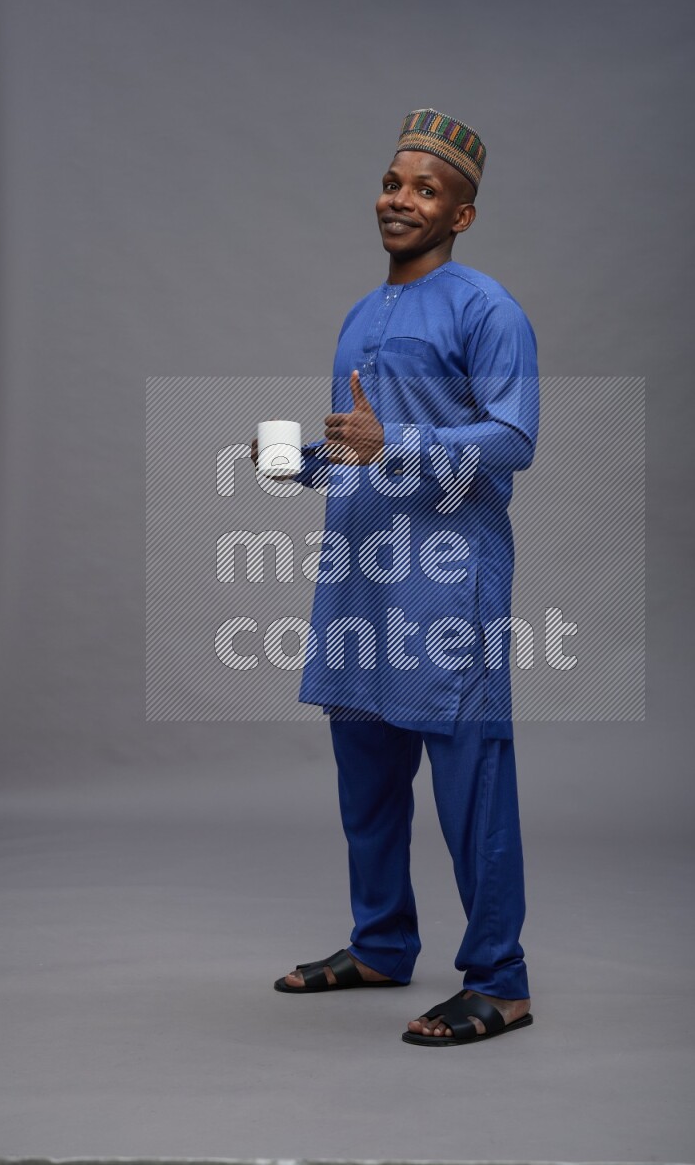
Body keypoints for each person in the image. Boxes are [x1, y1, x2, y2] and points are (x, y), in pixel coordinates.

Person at [256, 108, 539, 1045]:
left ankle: (499, 979)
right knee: (365, 779)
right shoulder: (360, 314)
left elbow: (511, 441)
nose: (399, 199)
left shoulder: (486, 308)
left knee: (469, 785)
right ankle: (380, 941)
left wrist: (395, 441)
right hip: (362, 580)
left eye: (425, 188)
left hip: (445, 586)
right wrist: (299, 455)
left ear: (461, 215)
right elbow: (361, 445)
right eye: (392, 181)